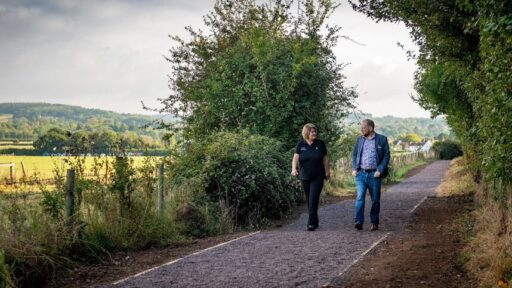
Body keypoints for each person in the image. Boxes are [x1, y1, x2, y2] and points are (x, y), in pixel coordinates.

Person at [351, 119, 390, 231]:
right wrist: (354, 168)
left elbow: (386, 156)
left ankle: (374, 222)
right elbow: (354, 155)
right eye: (361, 127)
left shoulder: (382, 139)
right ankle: (358, 221)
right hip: (360, 174)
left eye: (363, 127)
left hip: (375, 174)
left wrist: (380, 170)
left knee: (375, 200)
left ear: (371, 128)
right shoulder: (359, 139)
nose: (361, 129)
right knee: (360, 197)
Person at [291, 123, 330, 231]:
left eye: (315, 131)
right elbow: (295, 159)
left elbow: (325, 159)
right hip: (305, 176)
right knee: (309, 200)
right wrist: (294, 169)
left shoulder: (320, 144)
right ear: (306, 132)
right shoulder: (301, 145)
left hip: (318, 176)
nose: (314, 133)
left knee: (313, 198)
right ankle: (315, 221)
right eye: (312, 131)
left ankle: (311, 223)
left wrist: (328, 172)